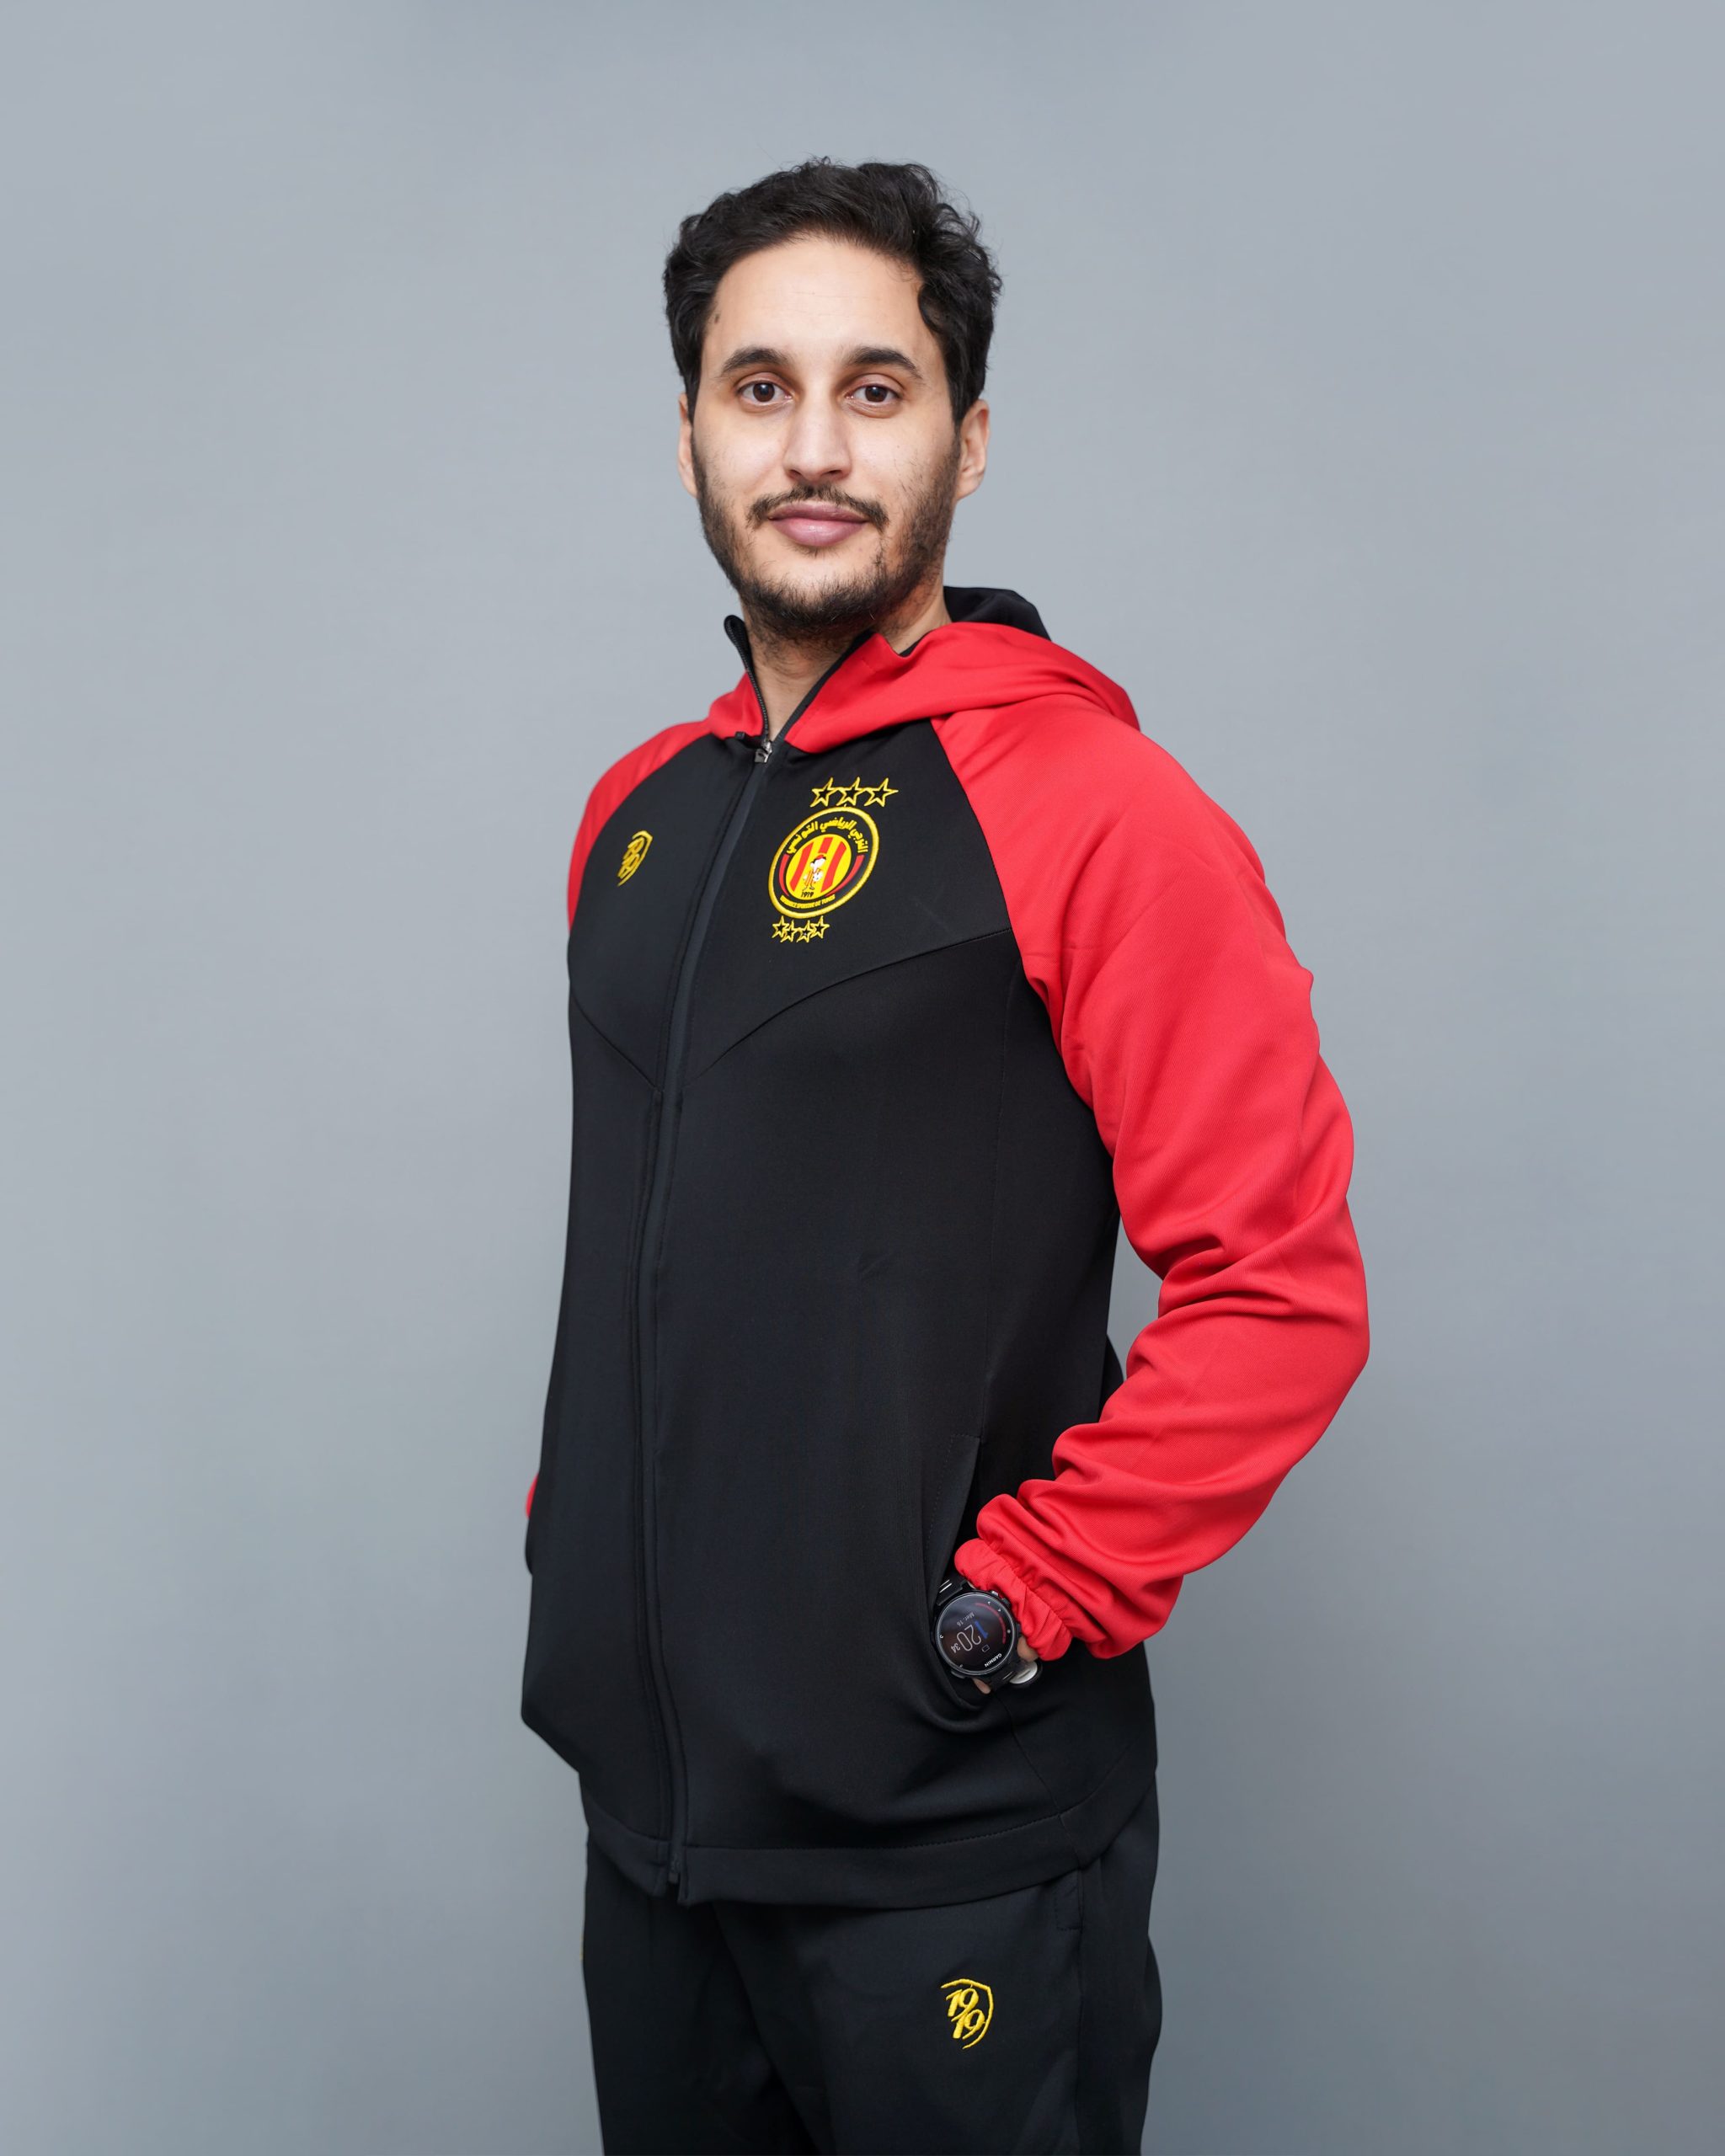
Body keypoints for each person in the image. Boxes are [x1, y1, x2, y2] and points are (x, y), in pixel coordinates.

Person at [519, 157, 1370, 2155]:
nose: (814, 446)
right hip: (655, 1841)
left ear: (967, 442)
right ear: (689, 431)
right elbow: (649, 1254)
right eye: (760, 387)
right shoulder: (633, 816)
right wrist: (581, 1541)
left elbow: (1281, 1286)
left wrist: (1023, 1596)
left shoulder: (1094, 806)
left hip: (946, 1847)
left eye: (875, 388)